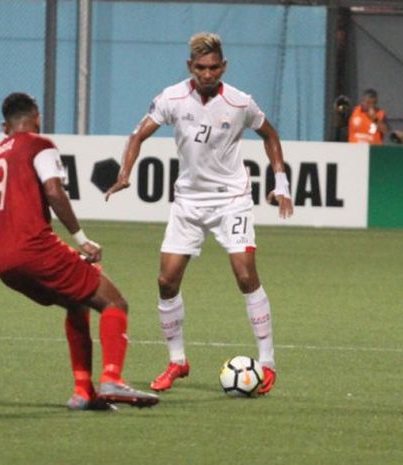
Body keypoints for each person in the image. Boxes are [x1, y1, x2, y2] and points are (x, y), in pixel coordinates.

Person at [0, 92, 158, 411]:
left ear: (4, 127)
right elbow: (54, 190)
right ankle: (112, 379)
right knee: (114, 302)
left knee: (75, 302)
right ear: (37, 117)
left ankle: (83, 391)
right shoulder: (39, 145)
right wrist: (81, 238)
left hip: (5, 265)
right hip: (37, 250)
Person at [105, 33, 293, 394]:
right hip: (188, 202)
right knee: (166, 281)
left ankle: (267, 364)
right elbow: (138, 135)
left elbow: (270, 135)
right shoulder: (172, 98)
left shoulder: (240, 103)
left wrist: (280, 183)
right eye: (201, 67)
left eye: (214, 67)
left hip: (231, 199)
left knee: (244, 274)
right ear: (190, 67)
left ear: (224, 67)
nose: (208, 74)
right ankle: (177, 361)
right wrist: (125, 174)